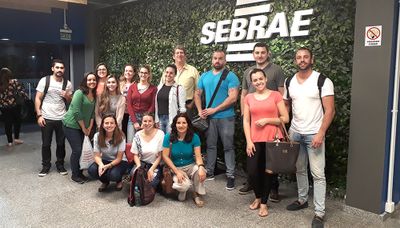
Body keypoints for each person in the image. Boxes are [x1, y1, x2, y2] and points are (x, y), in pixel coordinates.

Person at [284, 48, 335, 228]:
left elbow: (330, 110)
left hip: (314, 133)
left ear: (312, 59)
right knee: (299, 169)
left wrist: (321, 133)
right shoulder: (289, 81)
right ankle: (302, 199)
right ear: (295, 60)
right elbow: (287, 106)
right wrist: (283, 128)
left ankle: (319, 213)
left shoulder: (323, 81)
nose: (302, 60)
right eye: (299, 57)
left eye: (305, 57)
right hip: (295, 132)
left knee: (318, 174)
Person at [239, 42, 286, 199]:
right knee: (254, 169)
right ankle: (257, 192)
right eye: (257, 52)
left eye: (262, 52)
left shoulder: (276, 72)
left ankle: (270, 192)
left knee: (270, 168)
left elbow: (283, 103)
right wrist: (245, 117)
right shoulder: (248, 74)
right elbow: (243, 94)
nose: (260, 55)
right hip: (254, 128)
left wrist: (273, 120)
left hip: (272, 131)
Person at [243, 68, 289, 217]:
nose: (258, 82)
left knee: (269, 172)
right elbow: (246, 120)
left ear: (266, 79)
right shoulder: (248, 97)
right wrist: (248, 141)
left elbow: (285, 118)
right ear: (252, 82)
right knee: (252, 171)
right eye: (255, 80)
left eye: (260, 79)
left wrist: (268, 120)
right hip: (255, 139)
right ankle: (257, 197)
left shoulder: (276, 95)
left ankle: (263, 203)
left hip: (273, 138)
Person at [194, 50, 240, 190]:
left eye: (220, 58)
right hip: (209, 118)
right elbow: (197, 94)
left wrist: (215, 109)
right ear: (212, 60)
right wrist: (199, 111)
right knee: (211, 146)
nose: (217, 61)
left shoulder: (231, 76)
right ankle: (210, 172)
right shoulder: (205, 76)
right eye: (215, 58)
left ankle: (231, 175)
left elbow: (233, 98)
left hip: (226, 117)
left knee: (228, 147)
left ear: (225, 61)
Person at [35, 59, 72, 177]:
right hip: (46, 117)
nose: (59, 70)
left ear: (64, 70)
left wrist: (67, 96)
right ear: (53, 69)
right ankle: (45, 166)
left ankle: (60, 165)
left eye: (61, 68)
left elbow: (71, 101)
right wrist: (39, 115)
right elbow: (38, 98)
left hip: (62, 117)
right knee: (46, 143)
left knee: (61, 143)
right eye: (57, 67)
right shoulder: (44, 81)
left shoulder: (68, 84)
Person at [162, 113, 206, 207]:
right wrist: (177, 171)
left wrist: (201, 167)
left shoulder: (195, 137)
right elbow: (165, 156)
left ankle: (196, 193)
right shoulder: (168, 137)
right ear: (175, 124)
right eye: (178, 123)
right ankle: (184, 189)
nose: (181, 125)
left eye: (184, 123)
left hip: (190, 165)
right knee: (183, 187)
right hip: (175, 167)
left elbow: (198, 156)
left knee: (200, 171)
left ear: (188, 124)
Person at [63, 73, 97, 184]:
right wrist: (84, 128)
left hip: (85, 127)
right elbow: (76, 112)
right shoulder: (79, 93)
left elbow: (92, 113)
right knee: (77, 150)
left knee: (82, 150)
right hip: (71, 125)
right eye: (89, 80)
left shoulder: (94, 94)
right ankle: (75, 174)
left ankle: (80, 172)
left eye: (94, 80)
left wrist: (90, 127)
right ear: (85, 81)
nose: (92, 82)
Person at [88, 113, 128, 192]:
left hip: (119, 161)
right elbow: (96, 156)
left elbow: (119, 158)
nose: (109, 125)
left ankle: (119, 181)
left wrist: (108, 166)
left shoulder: (121, 136)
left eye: (112, 123)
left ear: (115, 124)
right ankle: (105, 182)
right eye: (106, 123)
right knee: (92, 170)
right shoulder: (97, 136)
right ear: (102, 125)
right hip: (105, 159)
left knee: (114, 175)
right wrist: (101, 165)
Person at [159, 45, 199, 118]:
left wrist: (191, 104)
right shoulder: (168, 71)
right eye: (177, 53)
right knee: (169, 128)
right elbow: (161, 87)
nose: (179, 55)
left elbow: (198, 90)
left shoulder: (193, 70)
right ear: (174, 56)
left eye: (181, 53)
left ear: (185, 56)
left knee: (185, 129)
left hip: (187, 106)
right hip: (169, 106)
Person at [130, 113, 164, 189]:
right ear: (142, 122)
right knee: (134, 175)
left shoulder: (160, 134)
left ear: (153, 122)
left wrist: (151, 169)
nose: (147, 123)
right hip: (142, 163)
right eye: (145, 121)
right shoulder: (137, 135)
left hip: (155, 165)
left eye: (150, 121)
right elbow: (135, 154)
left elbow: (160, 156)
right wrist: (138, 166)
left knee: (151, 183)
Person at [126, 65, 157, 142]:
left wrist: (145, 120)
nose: (143, 75)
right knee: (130, 142)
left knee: (145, 142)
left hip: (147, 119)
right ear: (139, 74)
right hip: (133, 118)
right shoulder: (132, 87)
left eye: (146, 73)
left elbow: (153, 105)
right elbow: (129, 105)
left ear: (149, 74)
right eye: (141, 72)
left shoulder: (153, 88)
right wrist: (135, 122)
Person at [0, 68, 28, 146]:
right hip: (15, 105)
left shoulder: (1, 84)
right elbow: (21, 91)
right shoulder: (14, 81)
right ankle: (16, 139)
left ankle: (9, 141)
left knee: (7, 123)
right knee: (17, 122)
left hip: (4, 107)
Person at [155, 64, 186, 133]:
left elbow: (182, 108)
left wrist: (178, 122)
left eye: (171, 73)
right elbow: (156, 105)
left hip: (171, 119)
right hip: (159, 119)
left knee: (170, 141)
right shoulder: (159, 87)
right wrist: (156, 120)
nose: (168, 74)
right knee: (160, 141)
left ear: (175, 75)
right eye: (167, 72)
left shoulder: (179, 88)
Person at [120, 64, 136, 139]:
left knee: (130, 136)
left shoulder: (136, 85)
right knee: (122, 134)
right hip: (121, 113)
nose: (128, 72)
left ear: (134, 73)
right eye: (126, 71)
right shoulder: (119, 84)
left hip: (131, 113)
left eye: (130, 71)